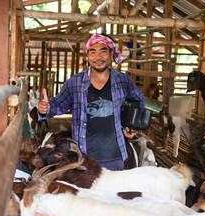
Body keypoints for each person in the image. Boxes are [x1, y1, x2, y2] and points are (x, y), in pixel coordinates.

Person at [38, 33, 145, 171]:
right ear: (88, 55)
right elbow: (58, 105)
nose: (98, 57)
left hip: (115, 157)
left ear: (112, 53)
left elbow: (139, 100)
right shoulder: (75, 82)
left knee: (112, 193)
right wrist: (45, 108)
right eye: (93, 52)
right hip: (83, 158)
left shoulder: (123, 81)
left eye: (103, 51)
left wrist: (133, 125)